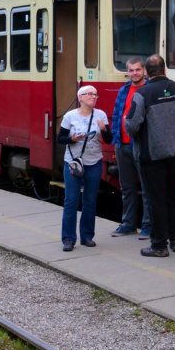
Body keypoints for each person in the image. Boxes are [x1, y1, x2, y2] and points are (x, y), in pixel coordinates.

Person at [124, 54, 175, 257]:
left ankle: (159, 245)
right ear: (165, 70)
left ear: (146, 72)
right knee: (171, 197)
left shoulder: (142, 93)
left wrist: (130, 126)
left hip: (151, 156)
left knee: (155, 200)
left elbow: (132, 125)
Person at [57, 85, 113, 252]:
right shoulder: (70, 116)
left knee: (90, 201)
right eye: (89, 94)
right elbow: (60, 139)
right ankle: (68, 239)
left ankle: (87, 236)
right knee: (71, 201)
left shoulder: (101, 115)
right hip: (73, 163)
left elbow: (109, 140)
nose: (93, 97)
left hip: (94, 162)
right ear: (80, 97)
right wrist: (72, 139)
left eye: (95, 95)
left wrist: (104, 130)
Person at [110, 57, 152, 239]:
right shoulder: (124, 89)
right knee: (127, 188)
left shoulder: (150, 89)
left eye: (137, 70)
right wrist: (115, 140)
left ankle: (148, 226)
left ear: (144, 70)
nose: (134, 73)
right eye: (131, 70)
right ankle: (128, 224)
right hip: (123, 145)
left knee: (147, 188)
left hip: (142, 145)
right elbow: (117, 114)